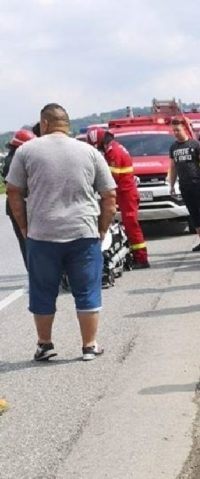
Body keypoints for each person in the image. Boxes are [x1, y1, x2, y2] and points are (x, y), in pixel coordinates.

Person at [5, 103, 117, 361]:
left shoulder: (26, 151)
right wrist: (101, 229)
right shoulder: (89, 152)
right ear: (67, 124)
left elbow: (13, 191)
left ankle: (45, 345)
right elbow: (109, 195)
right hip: (83, 231)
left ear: (44, 123)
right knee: (87, 289)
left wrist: (24, 227)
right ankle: (89, 345)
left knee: (43, 289)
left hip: (42, 234)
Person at [86, 127, 149, 268]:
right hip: (123, 191)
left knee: (131, 224)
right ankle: (133, 253)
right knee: (126, 225)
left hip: (126, 193)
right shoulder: (113, 148)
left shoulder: (113, 152)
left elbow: (111, 177)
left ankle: (142, 258)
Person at [168, 118, 200, 251]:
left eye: (178, 130)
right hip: (184, 185)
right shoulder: (173, 147)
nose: (176, 132)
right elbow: (173, 167)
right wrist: (171, 185)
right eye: (174, 130)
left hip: (198, 184)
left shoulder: (195, 144)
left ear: (184, 129)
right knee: (193, 214)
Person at [2, 129, 37, 269]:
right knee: (28, 241)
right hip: (21, 204)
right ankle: (35, 273)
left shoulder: (14, 158)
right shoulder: (14, 161)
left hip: (22, 204)